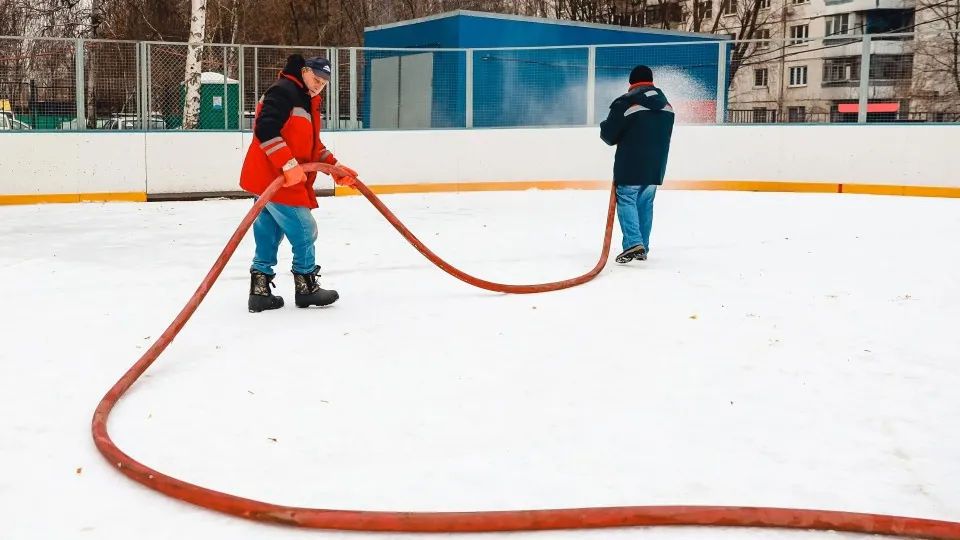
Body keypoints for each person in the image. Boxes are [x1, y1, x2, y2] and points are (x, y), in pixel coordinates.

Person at [239, 53, 358, 313]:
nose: (318, 85)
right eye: (315, 79)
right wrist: (287, 164)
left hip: (269, 179)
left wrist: (334, 167)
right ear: (303, 71)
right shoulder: (284, 92)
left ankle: (259, 292)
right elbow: (265, 128)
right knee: (305, 229)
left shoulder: (306, 99)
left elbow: (310, 147)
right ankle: (306, 287)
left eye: (323, 83)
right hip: (276, 179)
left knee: (268, 233)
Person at [598, 64, 675, 264]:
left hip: (631, 163)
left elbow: (609, 135)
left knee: (627, 197)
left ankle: (633, 243)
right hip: (656, 165)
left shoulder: (626, 102)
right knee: (645, 201)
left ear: (631, 82)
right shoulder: (667, 105)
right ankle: (643, 246)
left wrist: (605, 125)